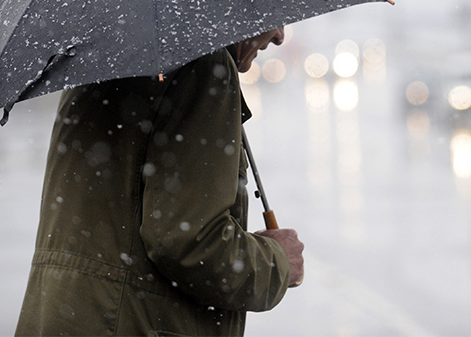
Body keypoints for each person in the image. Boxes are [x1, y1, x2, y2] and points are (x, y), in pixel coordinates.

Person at [15, 26, 304, 336]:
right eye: (274, 19)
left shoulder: (104, 59)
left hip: (60, 316)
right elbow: (190, 243)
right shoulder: (202, 65)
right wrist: (276, 261)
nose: (279, 36)